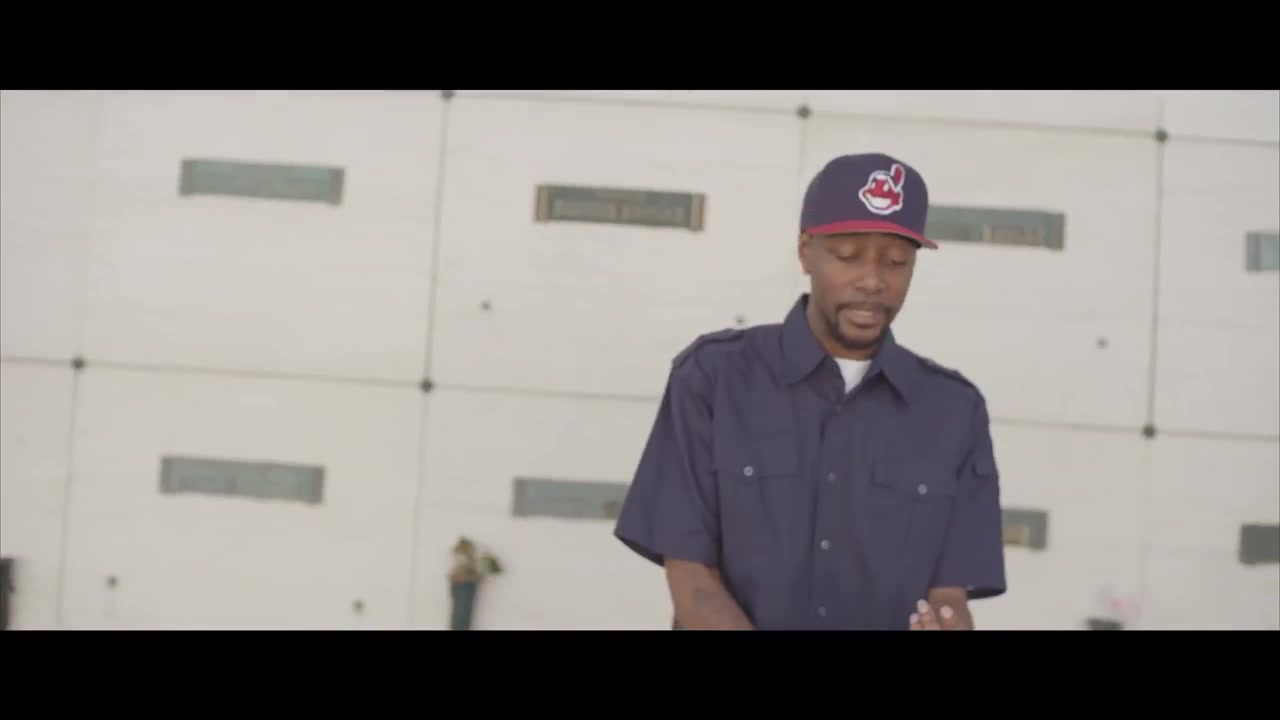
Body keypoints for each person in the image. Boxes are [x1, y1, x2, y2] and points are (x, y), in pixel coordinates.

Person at [613, 152, 1007, 631]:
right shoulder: (713, 379)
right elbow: (692, 579)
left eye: (896, 262)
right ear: (806, 252)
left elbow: (949, 597)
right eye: (847, 256)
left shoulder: (954, 410)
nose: (872, 280)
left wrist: (947, 623)